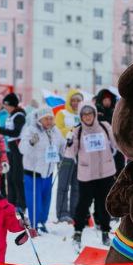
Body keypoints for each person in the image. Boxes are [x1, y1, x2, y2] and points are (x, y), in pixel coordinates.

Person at [65, 101, 117, 247]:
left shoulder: (105, 127)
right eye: (84, 114)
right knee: (83, 205)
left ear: (94, 114)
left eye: (90, 113)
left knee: (103, 205)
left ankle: (105, 232)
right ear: (81, 116)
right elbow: (70, 153)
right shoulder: (78, 131)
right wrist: (69, 143)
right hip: (87, 175)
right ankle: (77, 232)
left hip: (105, 173)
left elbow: (116, 143)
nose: (87, 117)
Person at [19, 107, 63, 233]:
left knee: (46, 200)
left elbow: (61, 145)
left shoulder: (55, 131)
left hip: (48, 172)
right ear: (39, 120)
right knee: (34, 201)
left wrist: (68, 144)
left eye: (51, 118)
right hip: (33, 172)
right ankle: (33, 224)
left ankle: (42, 222)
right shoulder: (31, 130)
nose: (49, 121)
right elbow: (22, 148)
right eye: (46, 119)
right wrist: (31, 142)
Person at [54, 90, 84, 224]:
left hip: (81, 154)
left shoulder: (84, 113)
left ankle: (75, 212)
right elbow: (59, 130)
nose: (76, 103)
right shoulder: (62, 114)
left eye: (78, 100)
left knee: (77, 186)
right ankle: (62, 213)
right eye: (74, 100)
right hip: (66, 154)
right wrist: (73, 131)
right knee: (63, 185)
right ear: (69, 101)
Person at [0, 92, 26, 209]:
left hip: (18, 147)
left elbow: (16, 132)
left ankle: (21, 203)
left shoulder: (19, 115)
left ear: (12, 105)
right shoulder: (11, 115)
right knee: (10, 176)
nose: (5, 108)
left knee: (17, 176)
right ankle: (11, 201)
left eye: (6, 105)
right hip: (11, 147)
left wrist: (1, 130)